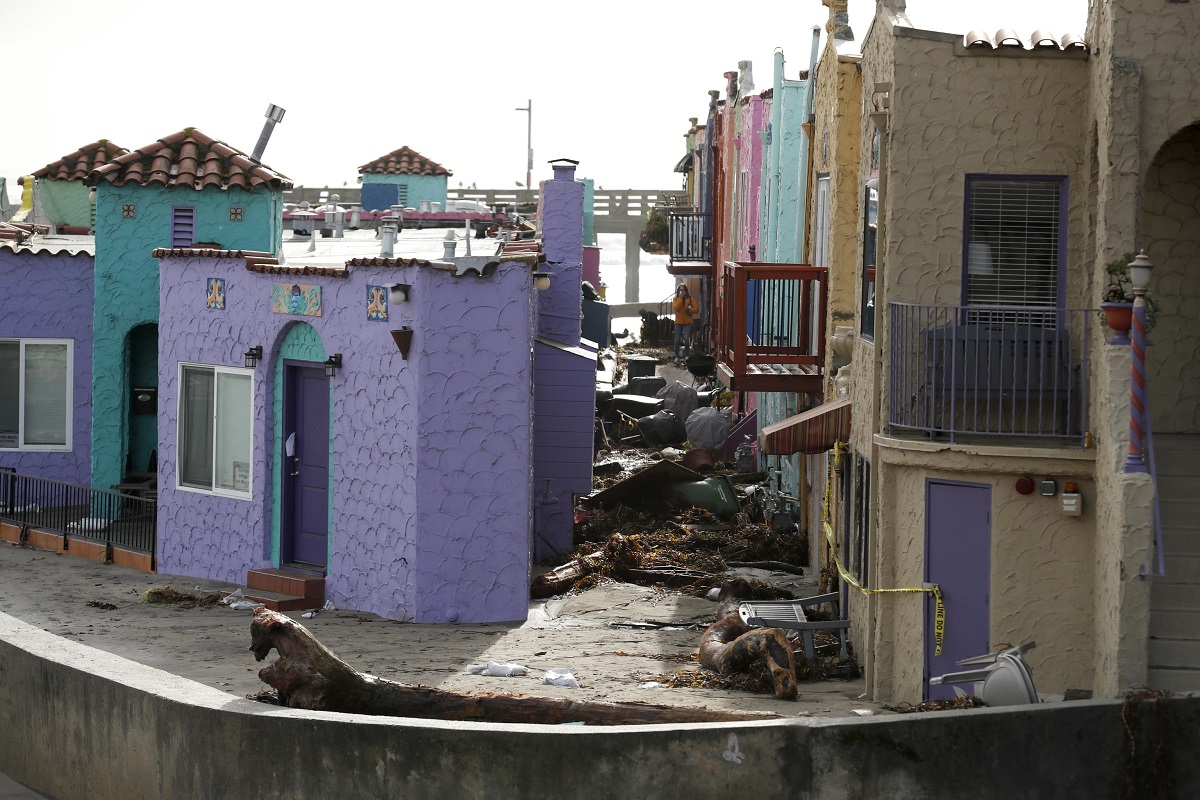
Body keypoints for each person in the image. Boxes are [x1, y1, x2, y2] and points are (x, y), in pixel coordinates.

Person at [671, 284, 699, 364]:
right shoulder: (676, 299)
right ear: (678, 291)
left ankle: (687, 355)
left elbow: (696, 309)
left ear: (686, 291)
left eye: (684, 290)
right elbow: (676, 308)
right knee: (677, 339)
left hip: (688, 321)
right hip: (678, 322)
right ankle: (677, 356)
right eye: (681, 290)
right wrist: (680, 299)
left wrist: (689, 310)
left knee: (686, 338)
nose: (682, 291)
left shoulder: (690, 299)